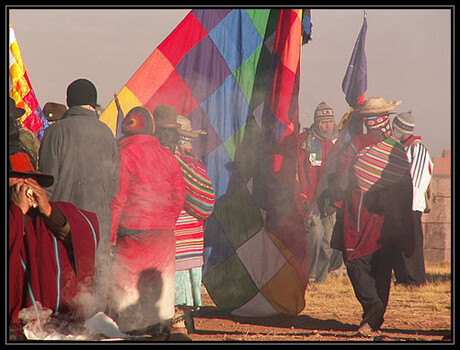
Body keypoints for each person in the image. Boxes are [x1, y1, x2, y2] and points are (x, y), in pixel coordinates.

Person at [9, 112, 99, 339]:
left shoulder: (43, 214)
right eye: (15, 178)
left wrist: (49, 211)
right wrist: (16, 212)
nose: (24, 186)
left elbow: (79, 233)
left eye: (29, 179)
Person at [331, 96, 415, 335]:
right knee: (382, 266)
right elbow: (405, 186)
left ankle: (372, 306)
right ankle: (373, 318)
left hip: (360, 215)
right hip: (390, 219)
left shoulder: (356, 144)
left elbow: (341, 178)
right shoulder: (397, 149)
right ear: (385, 119)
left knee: (356, 262)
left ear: (367, 120)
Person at [38, 78, 120, 314]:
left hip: (64, 224)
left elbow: (48, 185)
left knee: (68, 289)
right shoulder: (107, 133)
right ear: (93, 103)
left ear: (69, 102)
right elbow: (114, 185)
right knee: (95, 290)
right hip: (98, 225)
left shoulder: (55, 133)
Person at [109, 106, 185, 336]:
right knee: (158, 289)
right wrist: (166, 221)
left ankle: (135, 335)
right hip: (163, 234)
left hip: (132, 234)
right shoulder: (166, 155)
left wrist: (110, 237)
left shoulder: (123, 154)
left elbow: (117, 200)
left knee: (130, 292)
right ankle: (159, 332)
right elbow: (179, 195)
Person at [170, 115, 215, 334]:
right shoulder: (194, 162)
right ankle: (186, 316)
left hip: (179, 229)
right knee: (187, 275)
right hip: (193, 230)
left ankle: (178, 320)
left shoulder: (176, 161)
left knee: (178, 276)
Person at [298, 102, 340, 283]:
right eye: (324, 122)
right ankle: (309, 275)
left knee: (328, 240)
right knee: (314, 235)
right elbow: (298, 168)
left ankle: (321, 280)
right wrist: (302, 195)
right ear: (316, 122)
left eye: (330, 122)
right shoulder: (306, 140)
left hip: (331, 199)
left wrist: (336, 200)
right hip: (311, 197)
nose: (328, 125)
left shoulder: (339, 142)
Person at [391, 111, 433, 286]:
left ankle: (415, 280)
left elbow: (415, 181)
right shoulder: (402, 148)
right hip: (400, 206)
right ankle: (403, 279)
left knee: (412, 245)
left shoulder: (417, 148)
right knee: (399, 244)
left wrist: (405, 203)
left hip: (411, 206)